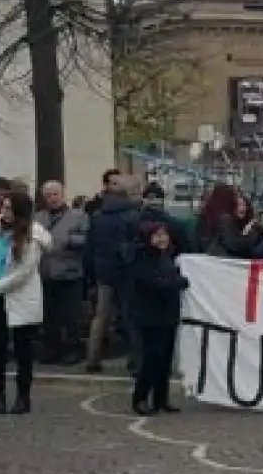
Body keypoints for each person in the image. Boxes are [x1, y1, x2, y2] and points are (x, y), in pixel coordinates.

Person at [0, 190, 48, 414]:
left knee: (22, 351)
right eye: (3, 207)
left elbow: (23, 272)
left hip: (19, 298)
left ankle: (23, 397)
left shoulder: (31, 235)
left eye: (9, 208)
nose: (4, 212)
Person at [128, 221, 189, 416]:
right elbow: (154, 283)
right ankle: (140, 398)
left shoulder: (169, 256)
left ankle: (161, 399)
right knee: (151, 358)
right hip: (149, 315)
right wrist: (178, 282)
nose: (161, 239)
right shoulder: (142, 257)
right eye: (157, 235)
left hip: (168, 314)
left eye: (164, 235)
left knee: (165, 359)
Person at [83, 175, 141, 374]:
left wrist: (91, 271)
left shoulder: (98, 216)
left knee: (100, 317)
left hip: (103, 271)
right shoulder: (133, 215)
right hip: (126, 271)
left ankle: (92, 358)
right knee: (131, 316)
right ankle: (135, 360)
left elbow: (89, 247)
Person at [37, 181, 89, 365]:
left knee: (71, 315)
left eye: (55, 194)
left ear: (63, 194)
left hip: (70, 271)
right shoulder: (39, 218)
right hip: (46, 272)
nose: (52, 198)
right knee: (49, 314)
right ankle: (51, 347)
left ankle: (72, 349)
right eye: (48, 195)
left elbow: (86, 239)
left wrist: (67, 240)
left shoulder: (78, 216)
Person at [201, 185, 260, 258]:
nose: (237, 199)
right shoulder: (226, 219)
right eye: (235, 196)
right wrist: (248, 234)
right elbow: (233, 245)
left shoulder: (208, 217)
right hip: (224, 260)